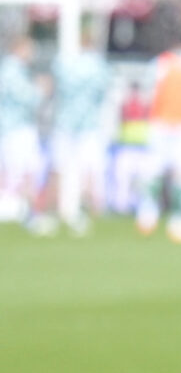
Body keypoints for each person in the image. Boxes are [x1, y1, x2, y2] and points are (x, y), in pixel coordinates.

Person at [137, 38, 181, 243]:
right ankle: (177, 219)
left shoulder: (160, 63)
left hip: (162, 122)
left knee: (155, 169)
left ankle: (148, 215)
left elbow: (148, 94)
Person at [43, 34, 113, 236]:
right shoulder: (99, 67)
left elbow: (53, 88)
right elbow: (102, 94)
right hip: (88, 125)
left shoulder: (64, 64)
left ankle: (51, 214)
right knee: (88, 170)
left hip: (64, 123)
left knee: (58, 168)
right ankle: (84, 213)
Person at [0, 35, 41, 224]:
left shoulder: (18, 69)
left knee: (27, 170)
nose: (32, 54)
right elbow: (27, 98)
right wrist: (40, 90)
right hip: (14, 128)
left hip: (18, 128)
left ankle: (26, 212)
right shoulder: (11, 69)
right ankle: (14, 211)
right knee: (16, 172)